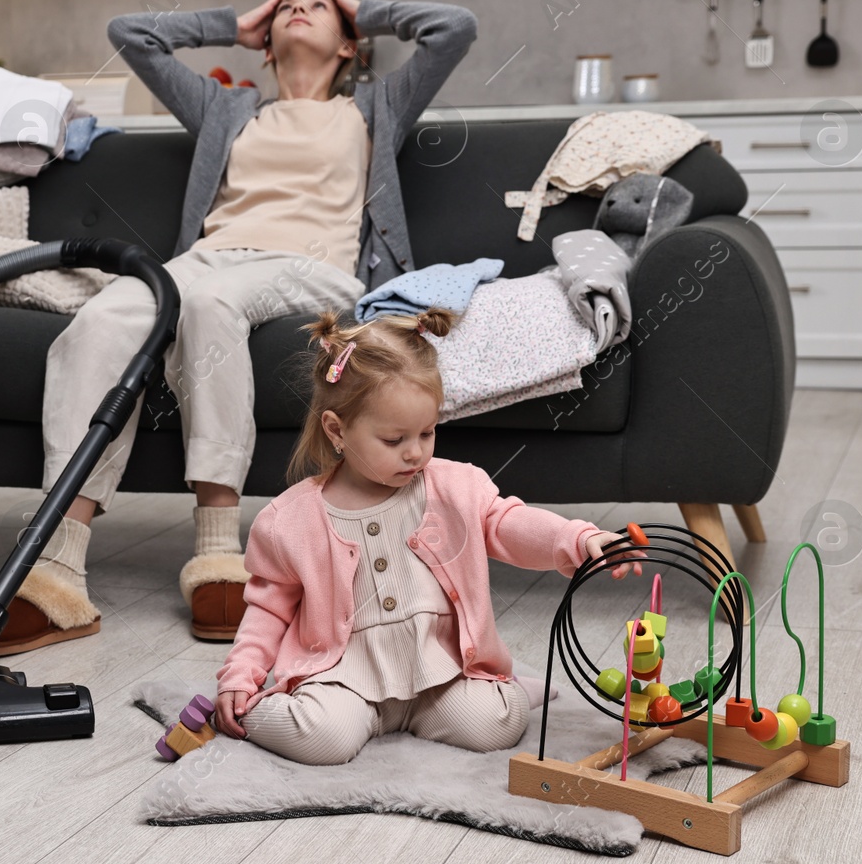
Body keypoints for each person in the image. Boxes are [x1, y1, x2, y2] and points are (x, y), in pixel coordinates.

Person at [0, 0, 479, 657]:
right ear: (266, 47)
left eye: (319, 6)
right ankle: (59, 570)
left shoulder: (376, 106)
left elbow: (454, 23)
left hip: (313, 270)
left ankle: (219, 553)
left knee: (209, 308)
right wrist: (233, 24)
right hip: (207, 260)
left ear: (347, 44)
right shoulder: (229, 110)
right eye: (286, 6)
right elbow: (131, 32)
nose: (299, 7)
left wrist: (364, 11)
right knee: (95, 323)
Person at [211, 308, 643, 763]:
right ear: (337, 430)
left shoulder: (454, 486)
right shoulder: (289, 521)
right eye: (394, 440)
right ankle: (260, 713)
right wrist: (240, 677)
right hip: (342, 677)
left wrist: (577, 539)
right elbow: (267, 609)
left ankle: (501, 693)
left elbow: (507, 523)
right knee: (324, 740)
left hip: (439, 673)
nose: (415, 452)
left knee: (494, 724)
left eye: (428, 432)